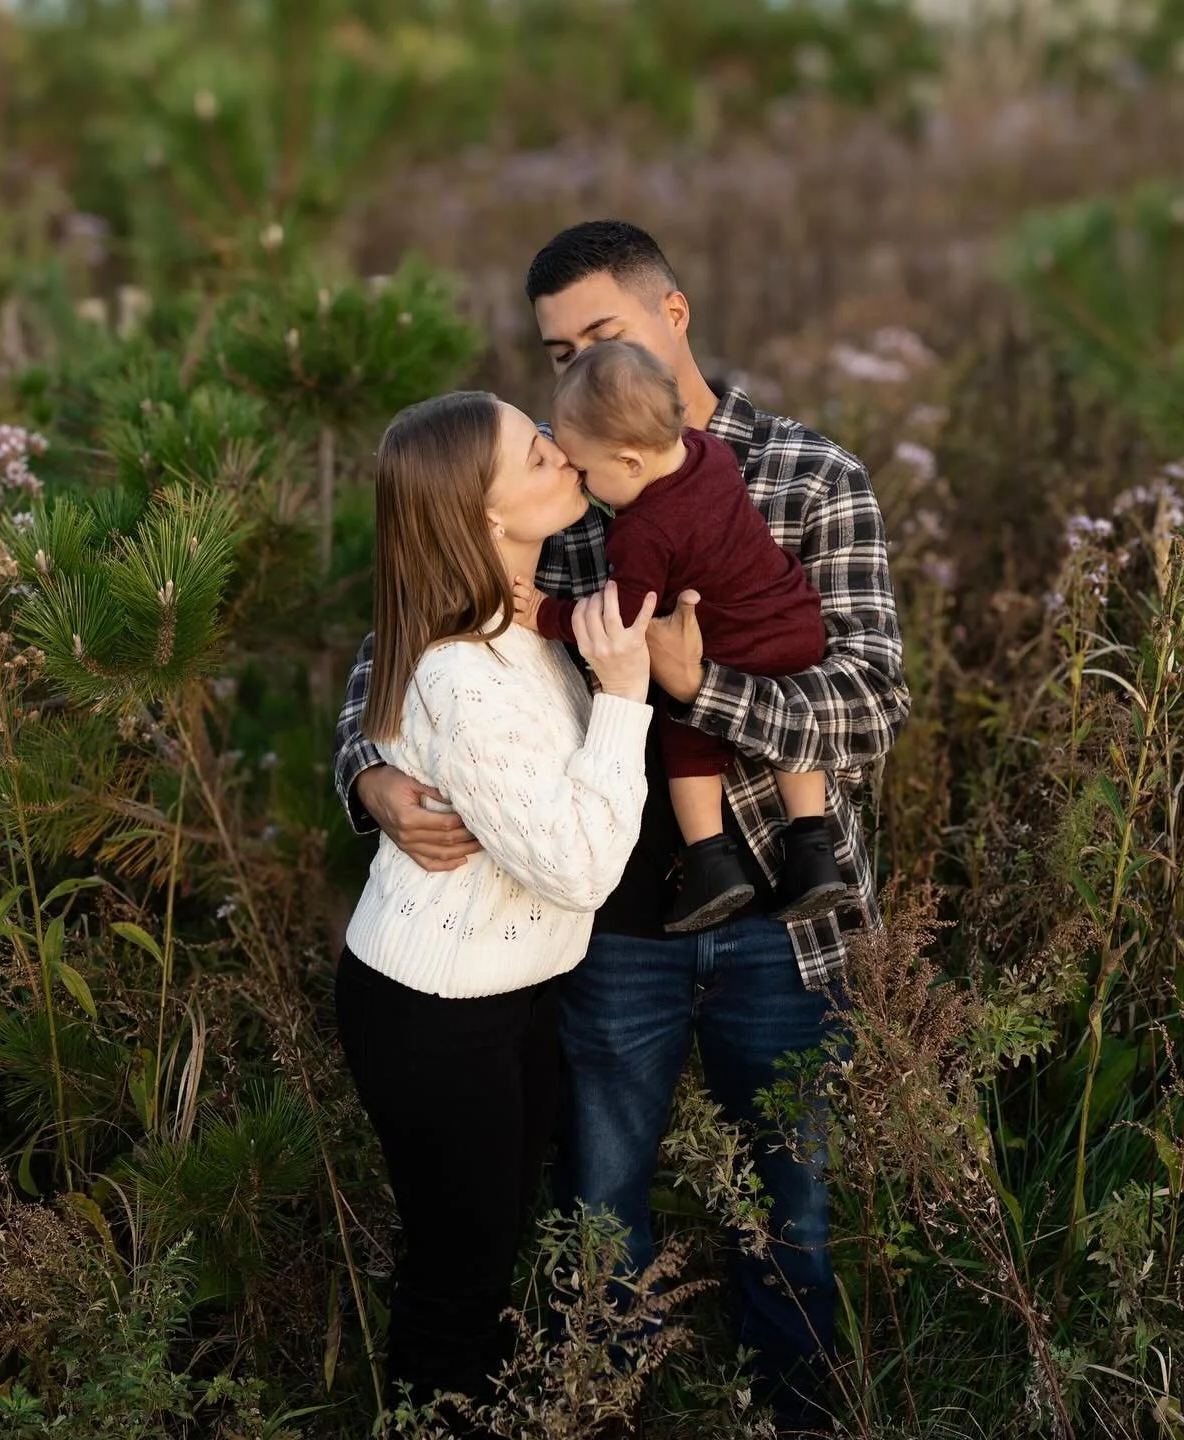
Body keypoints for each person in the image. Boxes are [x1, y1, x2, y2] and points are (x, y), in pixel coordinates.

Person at [334, 222, 910, 1434]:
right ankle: (605, 1408)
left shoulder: (807, 476)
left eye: (604, 333)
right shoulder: (571, 486)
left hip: (777, 917)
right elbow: (417, 637)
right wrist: (371, 777)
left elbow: (868, 708)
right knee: (595, 1211)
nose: (579, 368)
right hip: (603, 929)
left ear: (674, 315)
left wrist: (697, 691)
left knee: (793, 1212)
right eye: (557, 351)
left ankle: (795, 1415)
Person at [331, 389, 654, 1431]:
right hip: (436, 1012)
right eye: (534, 453)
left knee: (489, 1240)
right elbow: (581, 870)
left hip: (509, 995)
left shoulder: (513, 624)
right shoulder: (462, 672)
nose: (562, 453)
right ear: (482, 517)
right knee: (458, 1273)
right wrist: (624, 696)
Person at [512, 338, 846, 935]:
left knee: (685, 733)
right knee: (795, 732)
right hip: (794, 622)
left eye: (586, 472)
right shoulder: (708, 451)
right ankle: (813, 847)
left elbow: (623, 621)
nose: (582, 485)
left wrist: (543, 614)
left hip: (729, 641)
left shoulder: (641, 533)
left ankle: (710, 863)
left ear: (632, 463)